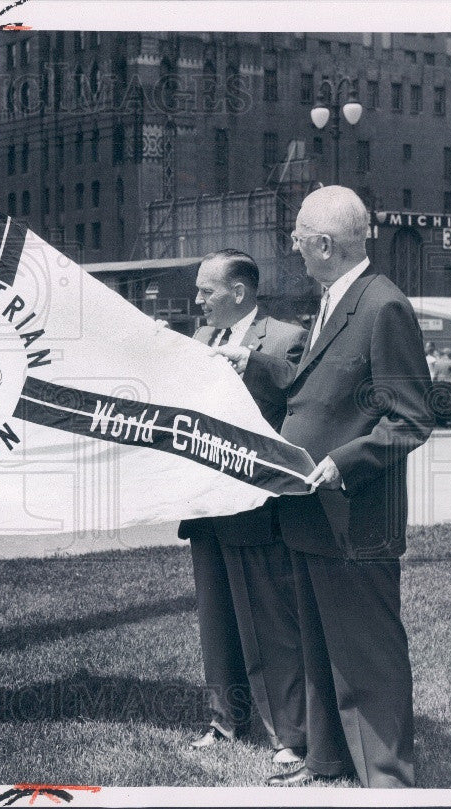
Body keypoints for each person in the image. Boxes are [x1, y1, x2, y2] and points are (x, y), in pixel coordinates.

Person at [224, 186, 433, 787]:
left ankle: (388, 780)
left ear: (324, 244)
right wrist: (260, 364)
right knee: (320, 649)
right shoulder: (336, 298)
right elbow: (320, 386)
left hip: (356, 517)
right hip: (316, 516)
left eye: (298, 235)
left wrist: (343, 460)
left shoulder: (382, 305)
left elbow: (411, 417)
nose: (292, 244)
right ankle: (327, 760)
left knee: (367, 656)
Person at [179, 249, 308, 765]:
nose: (197, 301)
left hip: (255, 505)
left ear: (238, 292)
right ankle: (226, 721)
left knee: (266, 622)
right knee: (217, 620)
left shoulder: (283, 337)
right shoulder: (199, 339)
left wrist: (251, 361)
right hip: (207, 504)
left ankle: (287, 734)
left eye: (205, 291)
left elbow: (298, 387)